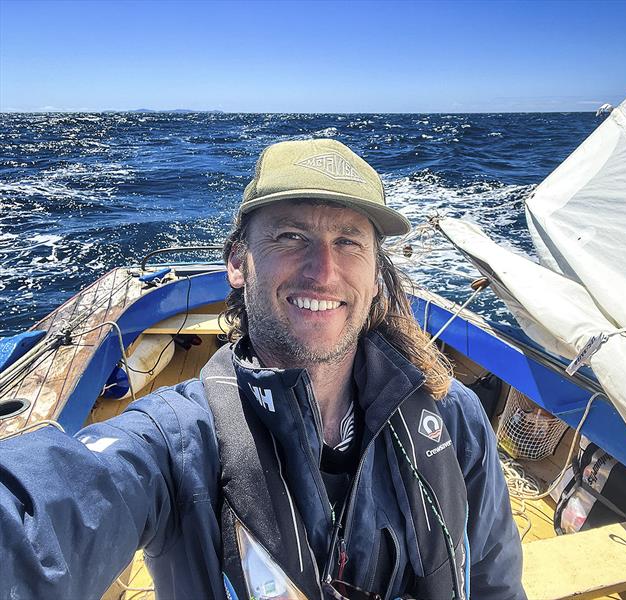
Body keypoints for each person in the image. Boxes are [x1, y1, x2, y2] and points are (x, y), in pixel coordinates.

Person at [0, 139, 525, 600]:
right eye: (291, 236)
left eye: (348, 242)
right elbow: (41, 518)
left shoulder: (452, 415)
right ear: (237, 261)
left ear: (374, 274)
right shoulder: (177, 440)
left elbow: (494, 584)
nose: (324, 272)